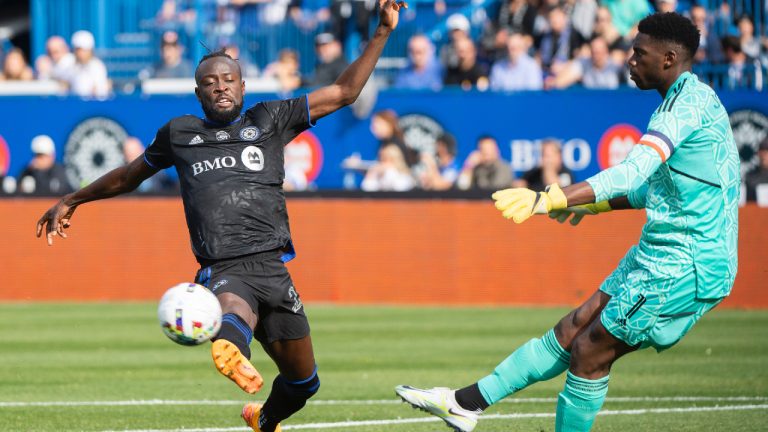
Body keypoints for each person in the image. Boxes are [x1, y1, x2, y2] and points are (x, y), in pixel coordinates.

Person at [35, 2, 406, 432]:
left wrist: (381, 30)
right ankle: (230, 347)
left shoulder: (271, 119)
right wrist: (74, 199)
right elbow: (129, 175)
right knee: (233, 312)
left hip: (273, 267)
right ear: (198, 93)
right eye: (209, 83)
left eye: (228, 79)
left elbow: (344, 92)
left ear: (243, 85)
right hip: (223, 266)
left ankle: (263, 418)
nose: (220, 87)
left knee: (304, 382)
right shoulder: (180, 133)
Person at [396, 12, 739, 432]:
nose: (629, 60)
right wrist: (587, 205)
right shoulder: (687, 100)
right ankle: (464, 404)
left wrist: (548, 198)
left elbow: (630, 173)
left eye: (638, 53)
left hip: (688, 262)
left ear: (668, 59)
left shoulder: (684, 108)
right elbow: (650, 193)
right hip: (662, 252)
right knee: (573, 328)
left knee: (590, 351)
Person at [60, 30, 110, 98]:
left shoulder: (97, 66)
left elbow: (100, 91)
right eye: (78, 50)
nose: (81, 53)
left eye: (84, 50)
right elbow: (64, 86)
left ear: (90, 50)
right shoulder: (69, 65)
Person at [745, 138, 768, 203]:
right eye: (762, 151)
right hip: (756, 211)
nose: (764, 155)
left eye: (767, 151)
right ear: (758, 153)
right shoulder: (751, 177)